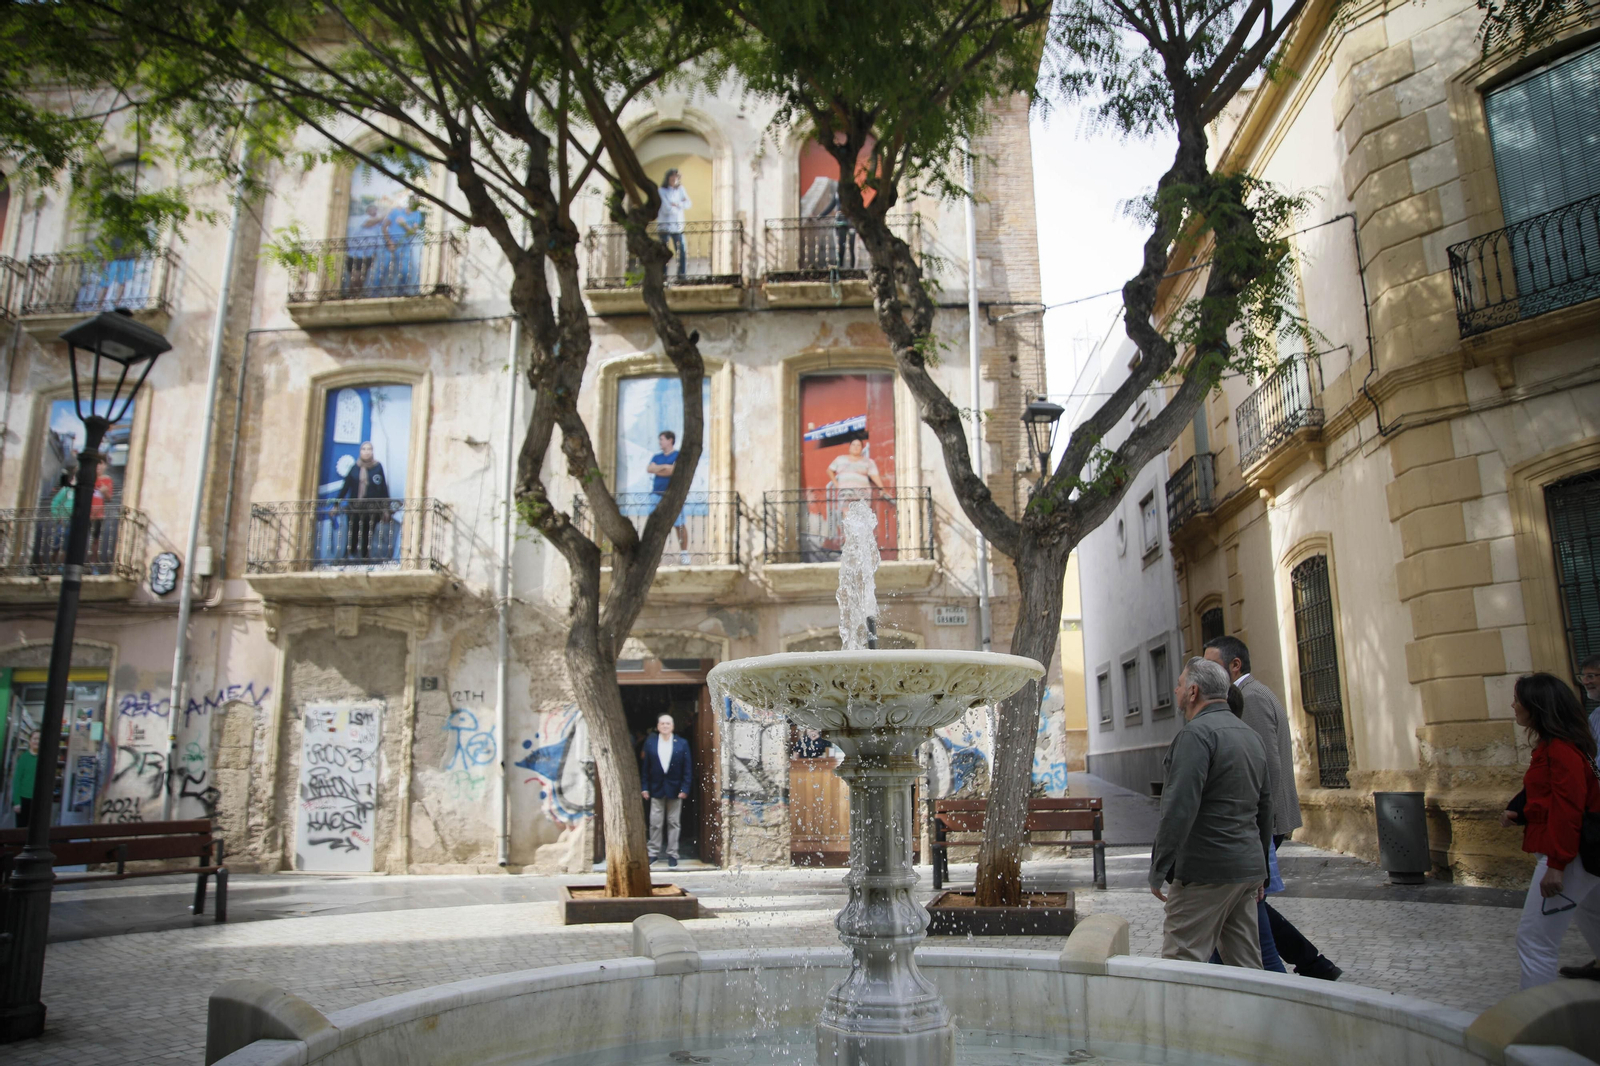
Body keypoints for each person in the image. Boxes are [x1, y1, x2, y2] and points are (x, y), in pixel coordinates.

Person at [1205, 635, 1342, 982]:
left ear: (1235, 665)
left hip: (1261, 822)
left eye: (1212, 664)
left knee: (1246, 903)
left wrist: (1254, 825)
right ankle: (1311, 964)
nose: (1206, 671)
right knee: (1246, 904)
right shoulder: (1249, 696)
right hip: (1259, 821)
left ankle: (1297, 969)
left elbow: (1265, 767)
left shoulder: (1248, 699)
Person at [1149, 656, 1273, 968]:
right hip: (1245, 871)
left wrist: (1159, 867)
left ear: (1193, 692)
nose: (1175, 691)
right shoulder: (1250, 735)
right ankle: (1252, 1018)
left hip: (1206, 871)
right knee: (1245, 966)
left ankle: (1182, 1018)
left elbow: (1178, 807)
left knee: (1182, 961)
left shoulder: (1196, 735)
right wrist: (1261, 870)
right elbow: (1265, 806)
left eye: (1178, 685)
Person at [1499, 673, 1600, 988]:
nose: (1513, 705)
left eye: (1519, 700)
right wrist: (1521, 811)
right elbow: (1549, 795)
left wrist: (1556, 866)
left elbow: (1568, 809)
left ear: (1536, 706)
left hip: (1571, 855)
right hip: (1580, 854)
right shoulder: (1556, 747)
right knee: (1594, 918)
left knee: (1535, 942)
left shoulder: (1560, 750)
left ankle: (1536, 1027)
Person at [1560, 653, 1600, 983]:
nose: (1588, 681)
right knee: (1589, 898)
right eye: (1585, 675)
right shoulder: (1596, 716)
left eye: (1594, 675)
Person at [641, 713, 692, 867]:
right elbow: (645, 768)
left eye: (668, 724)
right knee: (655, 823)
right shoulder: (650, 743)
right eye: (662, 723)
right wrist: (645, 787)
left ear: (673, 726)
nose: (665, 726)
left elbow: (687, 768)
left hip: (676, 789)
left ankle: (672, 854)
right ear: (657, 727)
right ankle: (653, 853)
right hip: (656, 788)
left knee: (674, 822)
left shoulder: (682, 743)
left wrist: (685, 788)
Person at [337, 441, 392, 560]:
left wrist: (386, 508)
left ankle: (364, 558)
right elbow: (345, 487)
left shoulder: (377, 467)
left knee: (367, 534)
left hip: (371, 509)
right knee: (353, 533)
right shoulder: (354, 468)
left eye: (369, 449)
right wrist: (336, 504)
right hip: (355, 509)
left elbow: (382, 488)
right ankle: (349, 556)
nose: (366, 452)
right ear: (360, 451)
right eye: (364, 449)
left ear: (372, 451)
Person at [646, 430, 691, 563]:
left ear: (670, 440)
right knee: (654, 525)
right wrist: (665, 466)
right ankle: (653, 554)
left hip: (673, 495)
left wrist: (659, 469)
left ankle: (684, 554)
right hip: (656, 495)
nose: (660, 442)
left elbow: (673, 471)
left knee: (679, 525)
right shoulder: (656, 456)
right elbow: (649, 469)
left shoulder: (677, 455)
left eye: (662, 439)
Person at [657, 169, 691, 278]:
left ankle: (681, 274)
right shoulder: (662, 191)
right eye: (672, 177)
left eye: (676, 178)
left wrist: (676, 204)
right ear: (668, 178)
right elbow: (666, 208)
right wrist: (679, 205)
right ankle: (663, 274)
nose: (674, 179)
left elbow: (689, 203)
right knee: (664, 251)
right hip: (665, 226)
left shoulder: (680, 190)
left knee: (681, 250)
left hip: (678, 226)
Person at [11, 730, 39, 829]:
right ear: (30, 741)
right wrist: (17, 802)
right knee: (21, 829)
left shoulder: (44, 758)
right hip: (24, 799)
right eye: (34, 739)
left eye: (39, 739)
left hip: (38, 800)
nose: (37, 741)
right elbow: (17, 780)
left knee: (35, 831)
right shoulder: (24, 758)